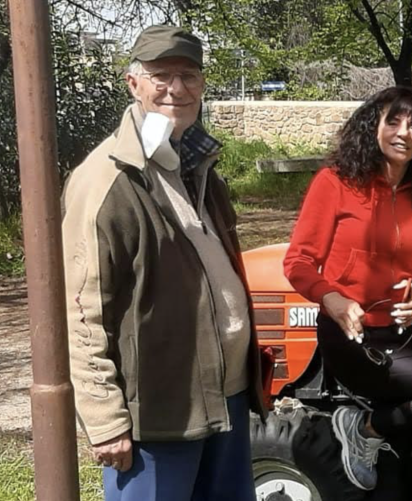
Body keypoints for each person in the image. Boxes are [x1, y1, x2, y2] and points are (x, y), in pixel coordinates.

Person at [62, 25, 264, 501]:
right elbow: (81, 308)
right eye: (161, 75)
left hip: (225, 400)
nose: (177, 88)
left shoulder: (197, 166)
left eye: (189, 75)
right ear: (134, 84)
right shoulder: (107, 181)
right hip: (159, 414)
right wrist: (105, 420)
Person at [283, 87, 412, 497]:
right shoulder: (335, 183)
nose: (404, 133)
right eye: (394, 121)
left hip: (406, 334)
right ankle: (362, 428)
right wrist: (331, 298)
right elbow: (297, 262)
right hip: (352, 337)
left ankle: (384, 444)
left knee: (402, 471)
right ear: (374, 127)